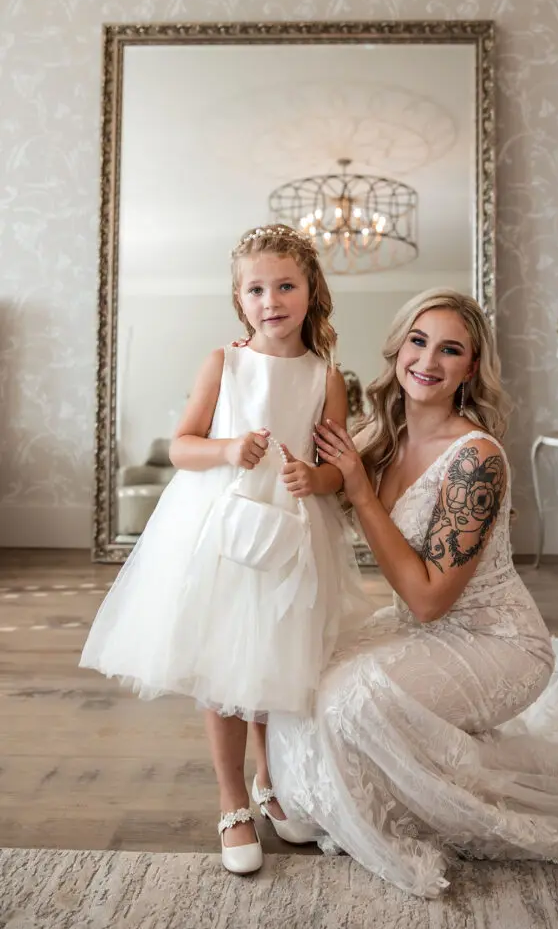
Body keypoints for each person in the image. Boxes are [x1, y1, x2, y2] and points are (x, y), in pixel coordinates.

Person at [266, 288, 558, 898]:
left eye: (450, 349)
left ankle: (397, 799)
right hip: (417, 630)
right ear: (399, 348)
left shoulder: (475, 459)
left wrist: (361, 489)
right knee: (303, 679)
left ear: (470, 368)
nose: (428, 360)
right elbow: (313, 485)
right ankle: (305, 798)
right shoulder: (381, 436)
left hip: (496, 642)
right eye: (418, 341)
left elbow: (430, 600)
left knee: (351, 701)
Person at [80, 223, 369, 875]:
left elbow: (337, 471)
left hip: (292, 532)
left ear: (310, 290)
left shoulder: (327, 378)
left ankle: (272, 778)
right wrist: (227, 450)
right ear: (240, 299)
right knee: (225, 661)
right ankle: (232, 797)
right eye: (257, 289)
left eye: (285, 285)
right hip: (219, 528)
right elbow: (183, 444)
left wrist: (313, 478)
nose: (272, 300)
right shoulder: (225, 364)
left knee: (273, 655)